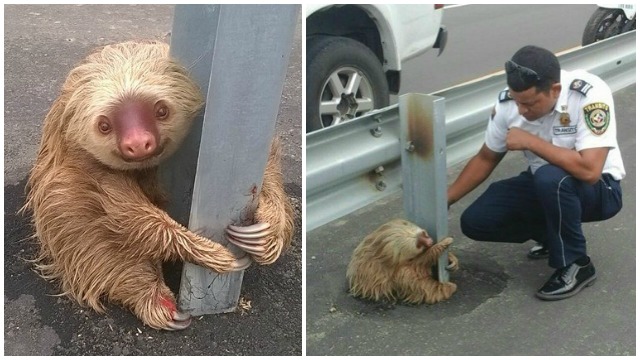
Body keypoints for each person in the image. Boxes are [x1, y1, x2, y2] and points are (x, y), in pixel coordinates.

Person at [447, 45, 624, 300]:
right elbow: (486, 157)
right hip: (546, 185)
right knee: (476, 221)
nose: (521, 111)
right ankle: (552, 237)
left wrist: (530, 141)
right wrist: (447, 199)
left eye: (529, 104)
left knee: (551, 177)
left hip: (600, 190)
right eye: (517, 101)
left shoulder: (589, 94)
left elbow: (590, 171)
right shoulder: (510, 104)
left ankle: (577, 264)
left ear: (555, 90)